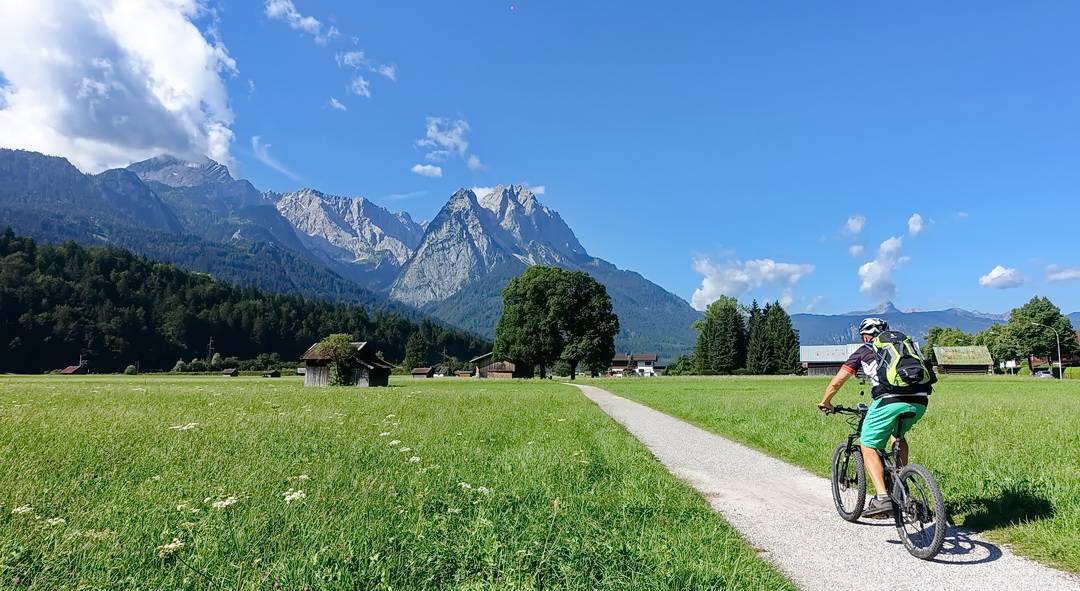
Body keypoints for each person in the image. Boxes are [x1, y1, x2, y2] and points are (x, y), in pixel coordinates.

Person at [817, 317, 930, 518]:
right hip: (920, 400)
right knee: (898, 435)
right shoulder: (905, 346)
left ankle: (882, 497)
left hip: (888, 400)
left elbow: (837, 382)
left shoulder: (864, 350)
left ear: (866, 335)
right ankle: (901, 479)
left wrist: (826, 402)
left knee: (867, 444)